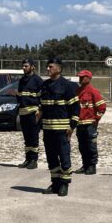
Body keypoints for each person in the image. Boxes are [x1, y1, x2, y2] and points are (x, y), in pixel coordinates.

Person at [38, 57, 80, 197]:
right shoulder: (44, 85)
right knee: (51, 158)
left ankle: (64, 184)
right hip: (48, 129)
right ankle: (55, 183)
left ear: (59, 69)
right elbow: (43, 104)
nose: (48, 69)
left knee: (64, 156)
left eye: (50, 67)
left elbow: (75, 107)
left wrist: (72, 126)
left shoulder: (67, 86)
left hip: (62, 129)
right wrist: (39, 112)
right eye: (47, 67)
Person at [74, 70, 107, 175]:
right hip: (80, 124)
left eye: (83, 77)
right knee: (82, 146)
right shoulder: (78, 91)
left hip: (90, 125)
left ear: (88, 78)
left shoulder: (93, 91)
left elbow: (102, 107)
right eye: (80, 77)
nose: (80, 79)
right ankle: (85, 165)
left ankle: (92, 166)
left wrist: (96, 119)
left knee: (91, 146)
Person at [16, 58, 43, 169]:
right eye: (23, 66)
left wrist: (40, 110)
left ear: (32, 67)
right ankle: (27, 159)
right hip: (23, 113)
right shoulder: (22, 80)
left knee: (33, 137)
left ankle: (34, 160)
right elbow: (19, 95)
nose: (24, 68)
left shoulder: (38, 80)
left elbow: (43, 97)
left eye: (26, 66)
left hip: (33, 112)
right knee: (26, 137)